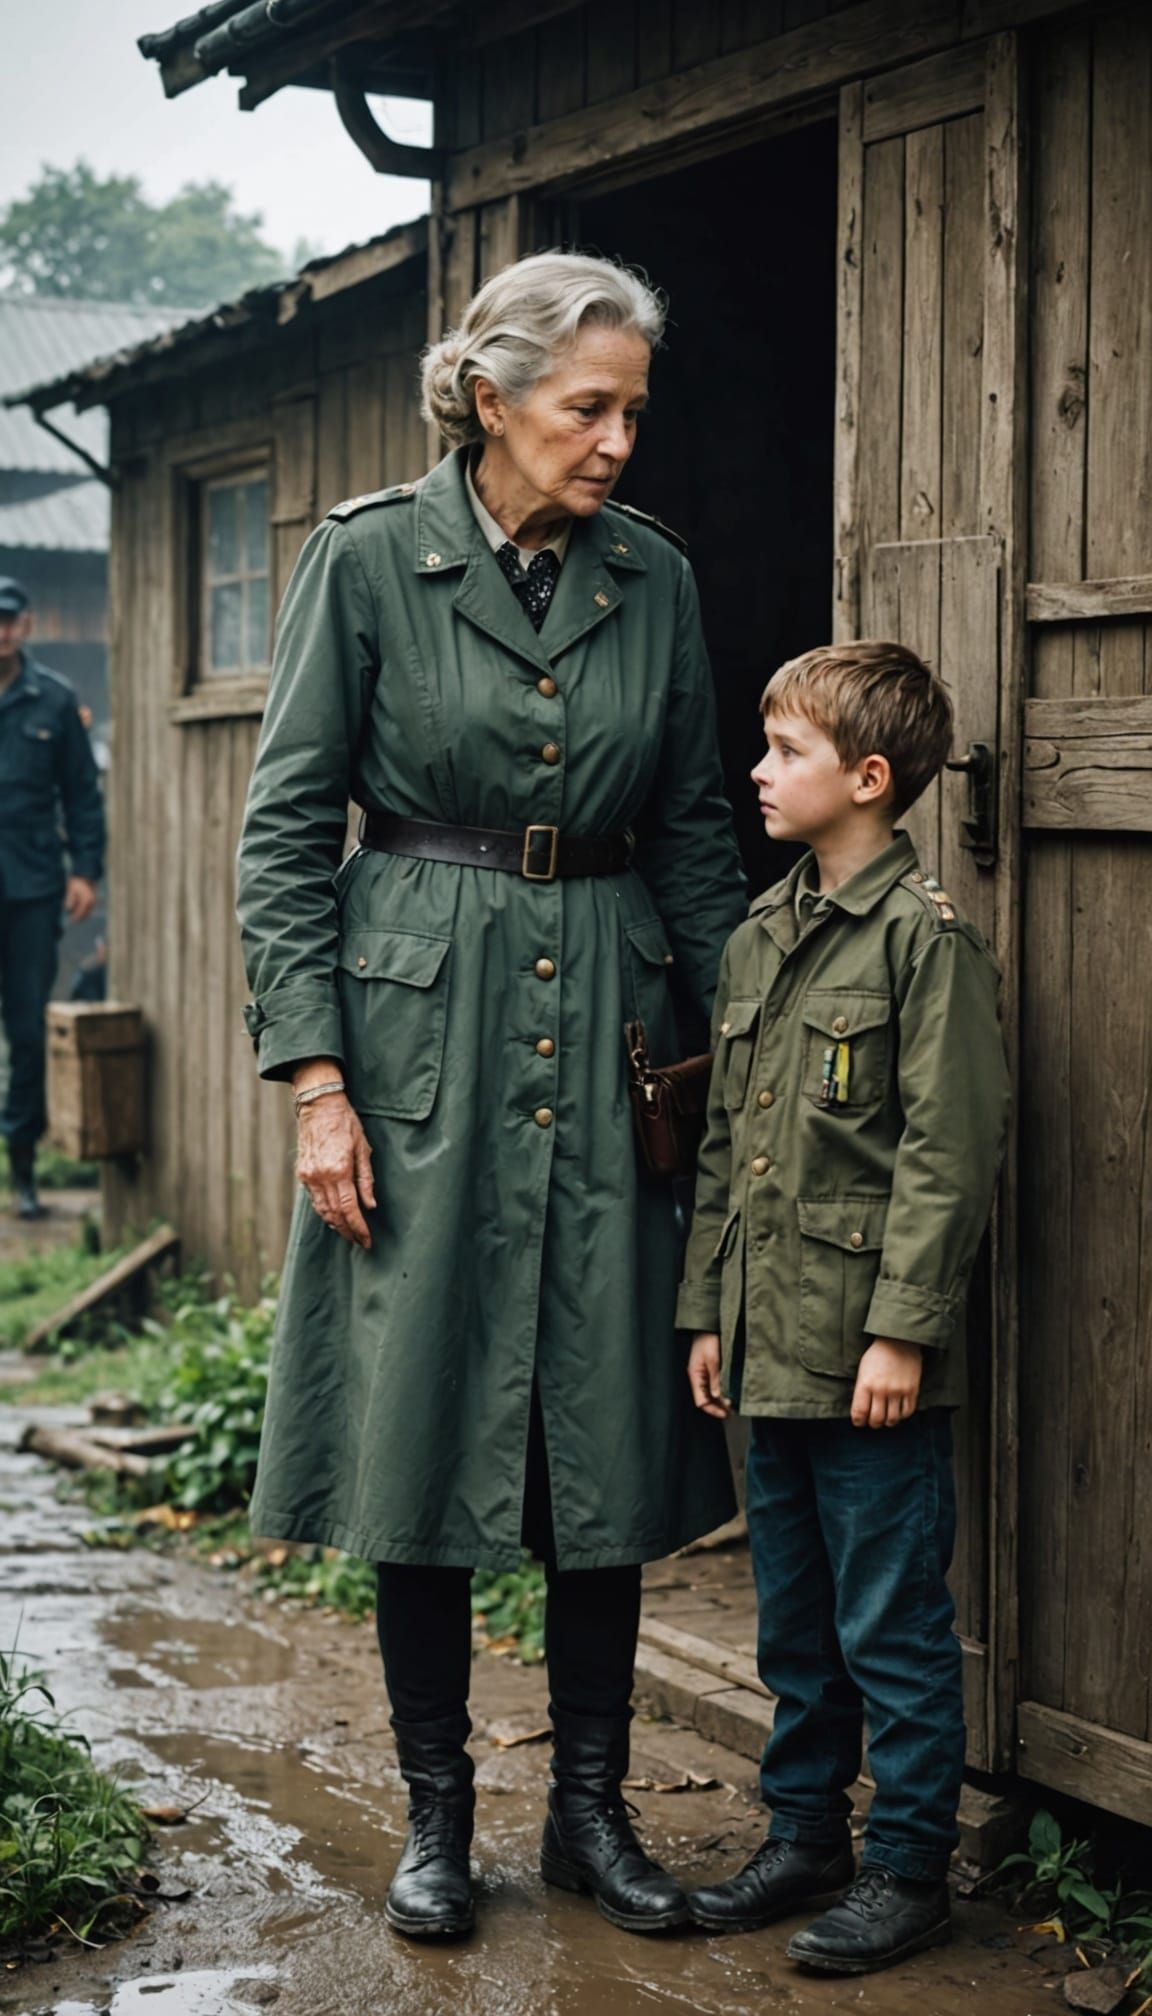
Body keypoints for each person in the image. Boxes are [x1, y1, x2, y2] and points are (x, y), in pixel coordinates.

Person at [236, 251, 747, 1942]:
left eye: (630, 413)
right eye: (586, 407)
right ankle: (437, 1819)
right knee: (418, 1409)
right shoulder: (369, 559)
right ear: (490, 398)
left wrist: (728, 1055)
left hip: (609, 1006)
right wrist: (317, 1080)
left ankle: (591, 1818)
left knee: (600, 1408)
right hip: (413, 1027)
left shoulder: (652, 579)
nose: (613, 442)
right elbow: (287, 829)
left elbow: (687, 829)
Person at [678, 642, 1009, 1976]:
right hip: (770, 1342)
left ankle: (910, 1870)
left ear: (868, 779)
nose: (759, 772)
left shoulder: (927, 948)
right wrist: (708, 1309)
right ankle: (804, 1834)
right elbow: (721, 1147)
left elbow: (951, 1150)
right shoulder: (758, 940)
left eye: (787, 754)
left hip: (870, 1357)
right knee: (794, 1620)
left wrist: (904, 1331)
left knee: (892, 1626)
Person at [0, 576, 104, 1218]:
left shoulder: (55, 701)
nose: (1, 630)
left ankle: (24, 1173)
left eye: (10, 620)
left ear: (27, 626)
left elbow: (82, 794)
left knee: (27, 1032)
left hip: (32, 888)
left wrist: (85, 871)